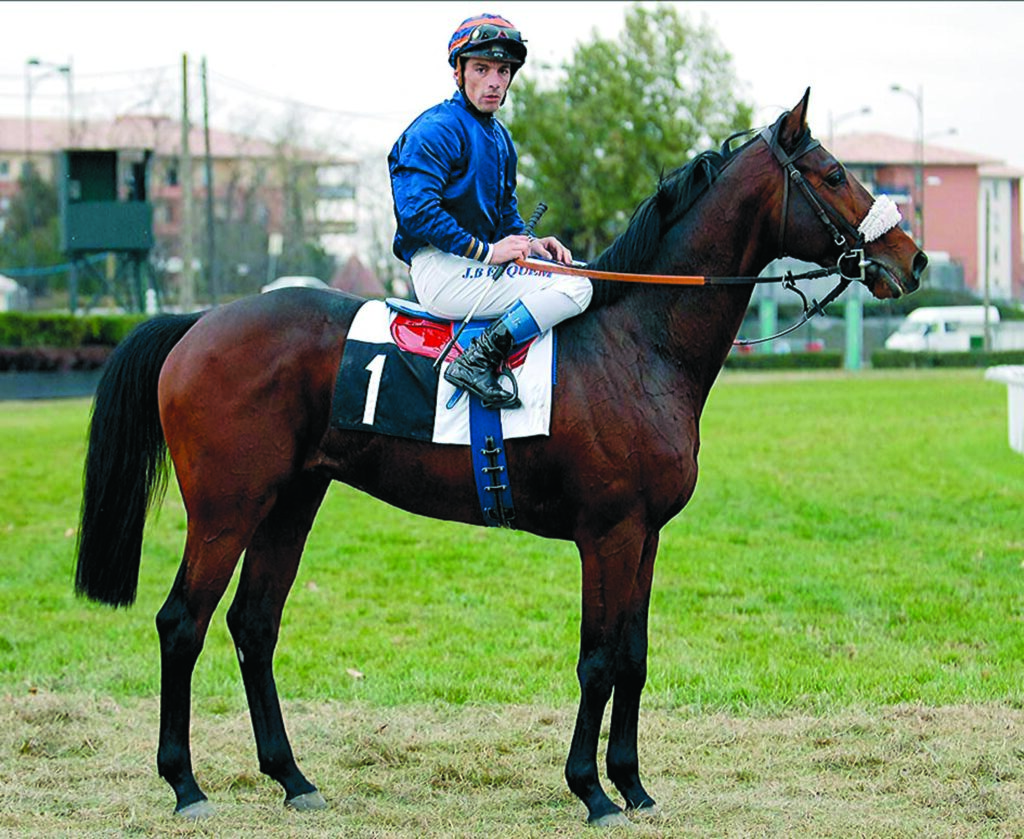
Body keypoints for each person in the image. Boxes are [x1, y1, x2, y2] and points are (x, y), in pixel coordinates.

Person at [388, 13, 592, 409]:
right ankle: (476, 360)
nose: (495, 81)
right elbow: (417, 212)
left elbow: (505, 217)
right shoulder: (436, 129)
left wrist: (531, 244)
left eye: (503, 71)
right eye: (481, 69)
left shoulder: (500, 138)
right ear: (459, 72)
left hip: (475, 267)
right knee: (577, 286)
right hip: (441, 270)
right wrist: (488, 251)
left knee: (580, 271)